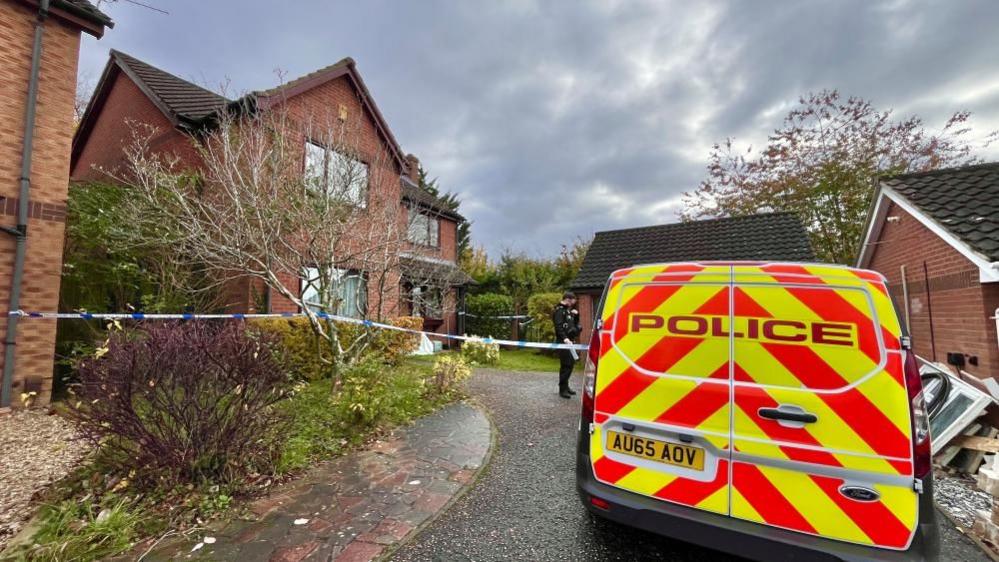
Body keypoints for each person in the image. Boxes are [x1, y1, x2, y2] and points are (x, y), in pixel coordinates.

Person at [552, 291, 581, 399]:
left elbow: (574, 325)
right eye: (572, 302)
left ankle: (566, 386)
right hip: (564, 342)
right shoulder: (559, 311)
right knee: (566, 366)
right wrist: (565, 339)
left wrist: (576, 315)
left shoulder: (567, 311)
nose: (573, 304)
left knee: (570, 365)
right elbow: (558, 327)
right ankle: (562, 389)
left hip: (570, 341)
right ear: (568, 299)